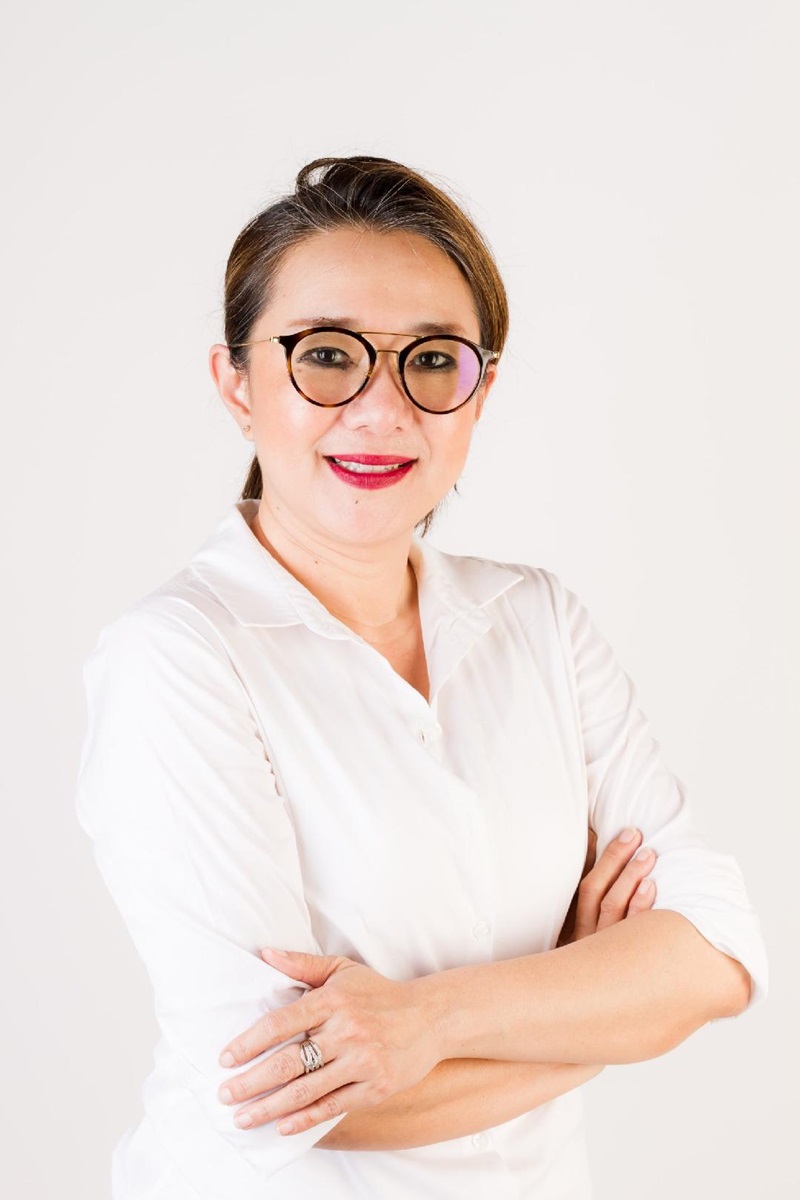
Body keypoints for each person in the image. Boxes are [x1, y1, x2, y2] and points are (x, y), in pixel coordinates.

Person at [75, 155, 768, 1199]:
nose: (381, 409)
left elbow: (716, 954)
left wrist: (427, 1022)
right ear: (235, 384)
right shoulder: (176, 657)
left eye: (432, 361)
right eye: (325, 355)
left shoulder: (538, 621)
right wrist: (592, 1012)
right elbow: (282, 1093)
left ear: (479, 390)